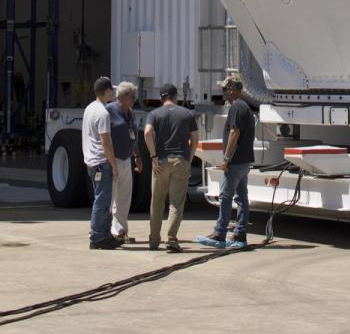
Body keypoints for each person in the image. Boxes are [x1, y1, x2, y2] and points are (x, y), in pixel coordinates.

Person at [197, 75, 255, 250]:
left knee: (226, 196)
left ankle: (220, 233)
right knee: (242, 197)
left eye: (224, 90)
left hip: (236, 161)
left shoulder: (237, 107)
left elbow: (234, 132)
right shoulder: (245, 107)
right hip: (245, 160)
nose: (223, 93)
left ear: (232, 90)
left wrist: (227, 157)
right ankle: (240, 234)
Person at [143, 82, 198, 252]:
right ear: (176, 97)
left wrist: (153, 156)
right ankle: (171, 239)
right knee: (176, 202)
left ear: (161, 98)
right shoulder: (187, 114)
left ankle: (153, 240)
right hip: (180, 159)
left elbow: (147, 133)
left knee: (156, 202)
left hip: (160, 162)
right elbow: (195, 139)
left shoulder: (154, 114)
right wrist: (189, 159)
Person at [82, 76, 118, 249]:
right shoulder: (103, 113)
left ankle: (104, 233)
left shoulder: (89, 109)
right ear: (107, 91)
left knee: (101, 199)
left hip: (91, 162)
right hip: (101, 163)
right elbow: (106, 142)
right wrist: (114, 165)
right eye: (111, 90)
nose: (113, 92)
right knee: (102, 200)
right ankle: (97, 236)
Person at [108, 81, 142, 243]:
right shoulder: (109, 111)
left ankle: (121, 230)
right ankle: (109, 231)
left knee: (124, 197)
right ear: (121, 96)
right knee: (111, 196)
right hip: (112, 159)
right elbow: (102, 137)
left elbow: (134, 137)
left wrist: (138, 157)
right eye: (131, 95)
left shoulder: (131, 112)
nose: (134, 98)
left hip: (126, 159)